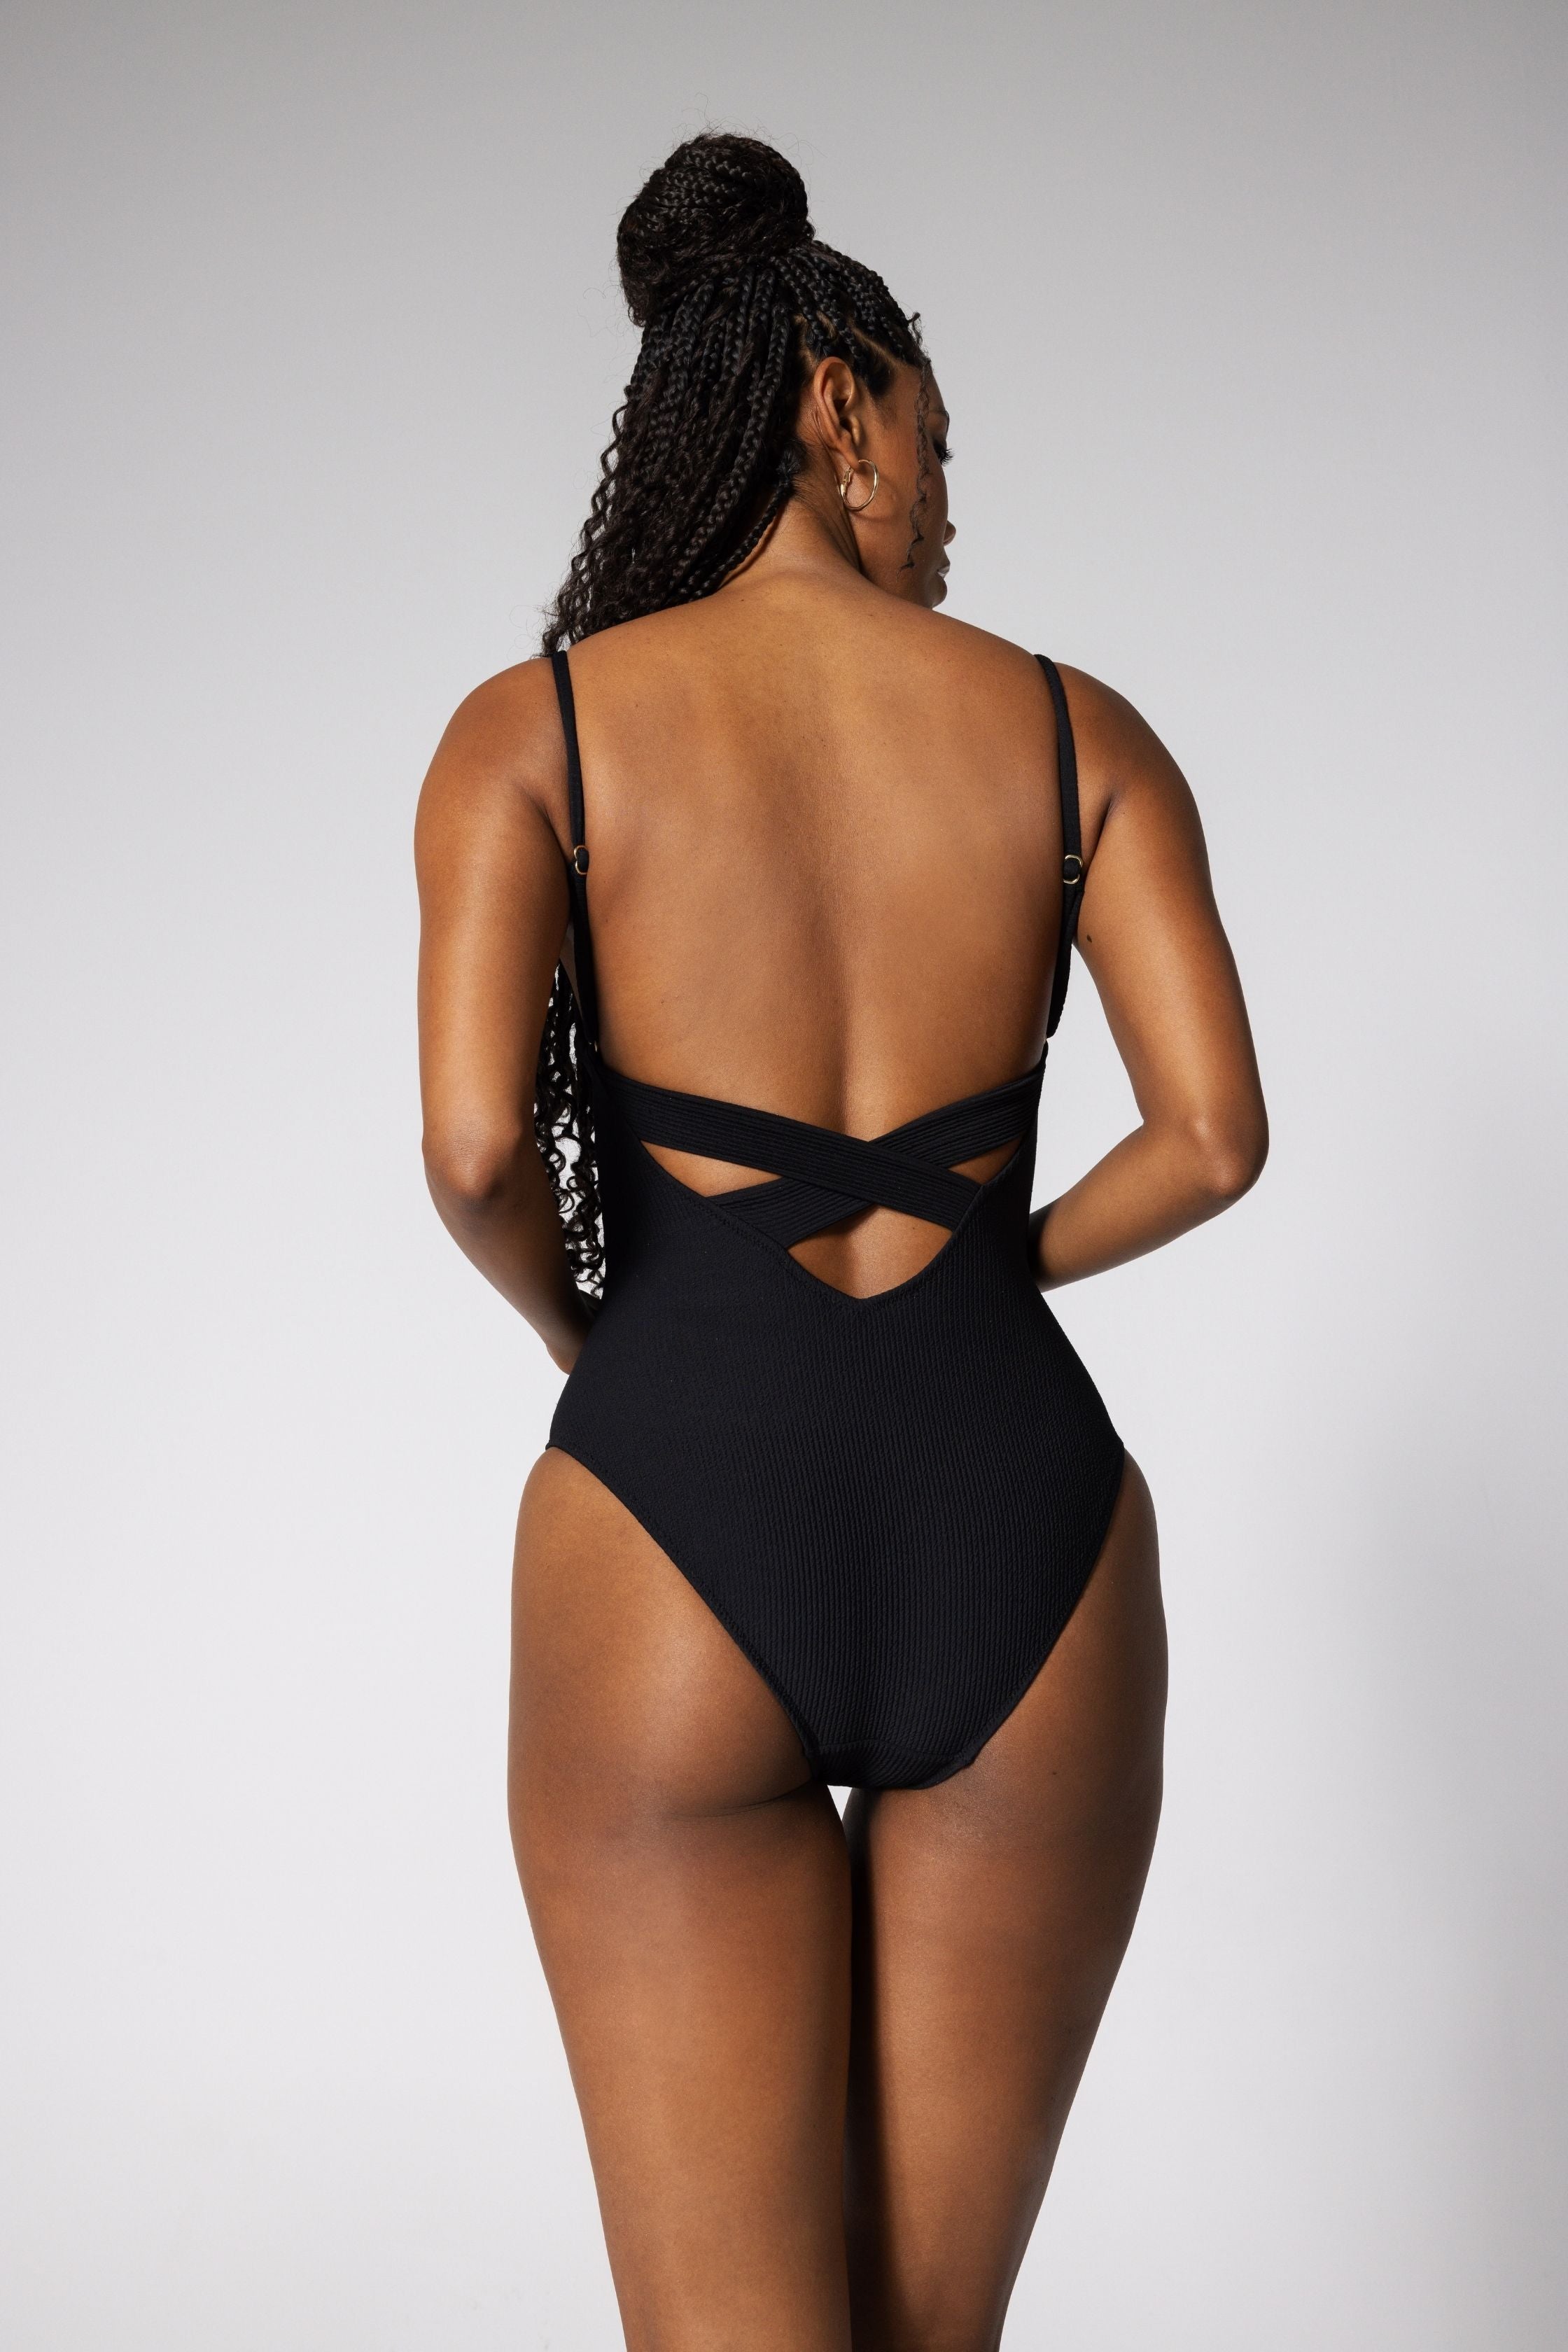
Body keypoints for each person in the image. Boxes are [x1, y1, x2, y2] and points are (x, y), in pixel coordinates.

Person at [416, 131, 1266, 2352]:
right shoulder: (1077, 731)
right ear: (836, 402)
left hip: (677, 1506)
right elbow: (1213, 1141)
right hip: (1026, 1526)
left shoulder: (537, 730)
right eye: (938, 446)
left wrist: (603, 1335)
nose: (952, 510)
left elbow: (478, 1150)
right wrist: (992, 1277)